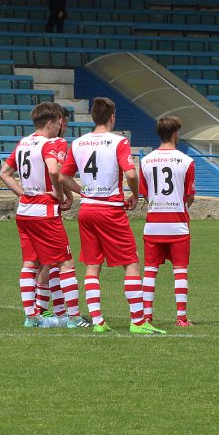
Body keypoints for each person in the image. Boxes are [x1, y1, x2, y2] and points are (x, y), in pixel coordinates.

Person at [59, 98, 163, 335]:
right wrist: (135, 195)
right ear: (112, 117)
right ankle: (138, 321)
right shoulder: (119, 141)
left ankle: (97, 321)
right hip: (110, 209)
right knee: (131, 263)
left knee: (93, 265)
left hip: (87, 210)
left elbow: (63, 177)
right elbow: (131, 173)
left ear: (94, 116)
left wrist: (81, 191)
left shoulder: (78, 143)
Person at [0, 102, 84, 329]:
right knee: (65, 262)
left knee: (30, 262)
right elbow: (54, 170)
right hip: (44, 211)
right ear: (50, 123)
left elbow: (4, 173)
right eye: (58, 122)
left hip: (25, 211)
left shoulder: (23, 144)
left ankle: (31, 316)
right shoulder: (50, 144)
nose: (60, 126)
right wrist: (58, 192)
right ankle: (74, 318)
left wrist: (22, 193)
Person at [139, 116, 196, 327]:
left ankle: (146, 315)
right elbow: (189, 195)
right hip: (177, 224)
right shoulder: (186, 161)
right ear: (175, 133)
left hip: (153, 223)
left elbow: (145, 194)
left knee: (150, 270)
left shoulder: (145, 160)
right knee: (180, 270)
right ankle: (181, 317)